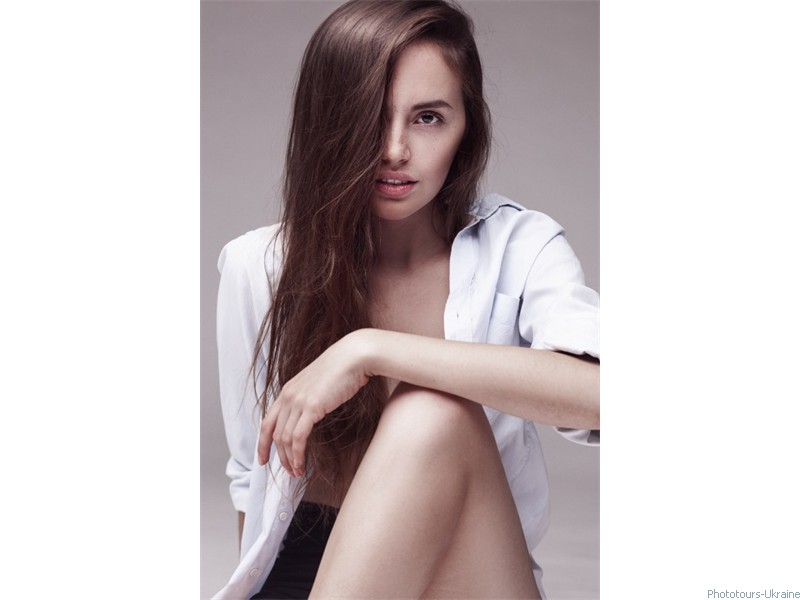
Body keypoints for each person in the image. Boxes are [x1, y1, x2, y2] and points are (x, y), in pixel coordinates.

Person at [214, 1, 599, 598]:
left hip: (467, 571)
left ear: (466, 128)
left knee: (434, 409)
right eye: (369, 114)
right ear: (328, 120)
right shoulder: (259, 265)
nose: (394, 149)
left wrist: (371, 350)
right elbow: (251, 476)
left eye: (428, 118)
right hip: (310, 574)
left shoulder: (519, 248)